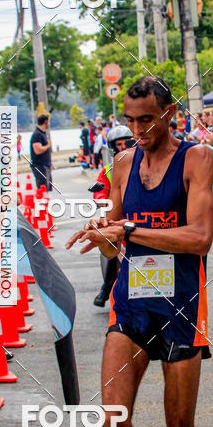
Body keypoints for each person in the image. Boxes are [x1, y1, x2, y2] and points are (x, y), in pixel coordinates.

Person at [66, 76, 213, 427]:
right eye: (130, 120)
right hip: (130, 307)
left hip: (181, 308)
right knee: (113, 419)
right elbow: (115, 241)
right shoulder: (124, 164)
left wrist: (130, 229)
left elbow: (199, 237)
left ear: (169, 112)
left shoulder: (196, 159)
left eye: (147, 119)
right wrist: (102, 235)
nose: (137, 130)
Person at [91, 125, 134, 308]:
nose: (123, 147)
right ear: (113, 147)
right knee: (110, 246)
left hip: (142, 216)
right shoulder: (108, 170)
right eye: (119, 144)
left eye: (127, 143)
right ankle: (106, 288)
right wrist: (102, 200)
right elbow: (99, 190)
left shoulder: (146, 164)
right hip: (117, 217)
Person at [30, 113, 52, 191]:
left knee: (46, 190)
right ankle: (42, 203)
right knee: (42, 190)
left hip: (45, 166)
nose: (49, 123)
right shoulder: (37, 134)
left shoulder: (43, 133)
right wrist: (48, 145)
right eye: (49, 121)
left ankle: (46, 202)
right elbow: (37, 150)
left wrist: (49, 165)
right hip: (40, 166)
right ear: (45, 121)